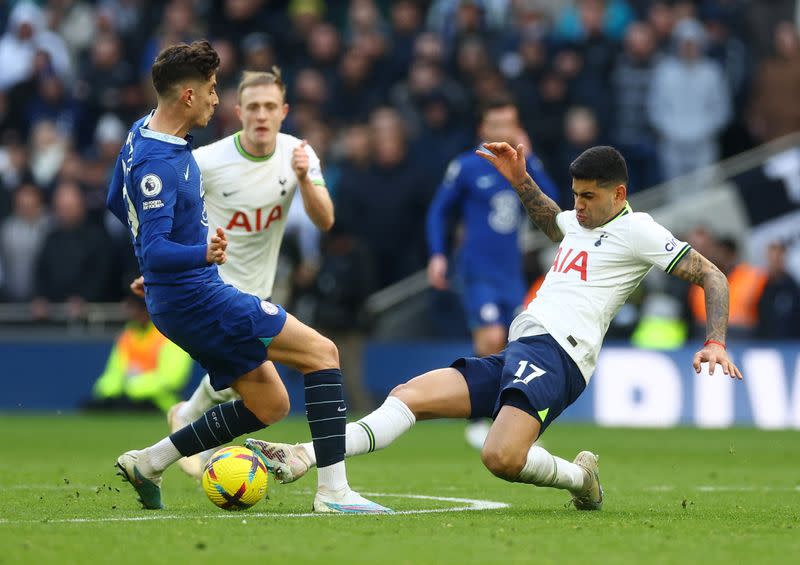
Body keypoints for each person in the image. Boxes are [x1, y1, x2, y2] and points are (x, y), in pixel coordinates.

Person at [247, 144, 743, 511]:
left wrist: (715, 340)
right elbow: (555, 223)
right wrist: (521, 181)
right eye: (576, 196)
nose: (580, 206)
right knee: (409, 394)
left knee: (501, 457)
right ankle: (306, 456)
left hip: (559, 355)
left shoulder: (640, 230)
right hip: (520, 349)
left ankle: (579, 478)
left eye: (589, 197)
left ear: (620, 193)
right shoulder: (581, 222)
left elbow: (709, 273)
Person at [106, 40, 390, 514]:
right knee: (323, 353)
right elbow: (155, 248)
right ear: (189, 97)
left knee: (270, 404)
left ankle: (150, 461)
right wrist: (197, 253)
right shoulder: (163, 164)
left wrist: (160, 269)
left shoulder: (143, 133)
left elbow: (118, 198)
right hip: (199, 297)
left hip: (183, 295)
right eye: (213, 90)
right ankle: (334, 492)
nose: (217, 100)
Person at [161, 67, 334, 479]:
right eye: (253, 106)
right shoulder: (207, 161)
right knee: (278, 375)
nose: (261, 115)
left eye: (270, 107)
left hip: (261, 289)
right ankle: (332, 485)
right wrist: (158, 266)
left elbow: (325, 219)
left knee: (242, 377)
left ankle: (185, 417)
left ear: (284, 111)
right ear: (238, 111)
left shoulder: (299, 154)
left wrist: (305, 178)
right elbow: (169, 219)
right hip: (214, 287)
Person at [426, 95, 558, 449]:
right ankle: (481, 416)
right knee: (489, 339)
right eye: (495, 125)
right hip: (477, 270)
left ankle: (512, 422)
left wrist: (529, 163)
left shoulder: (523, 166)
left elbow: (554, 205)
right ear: (483, 129)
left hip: (512, 274)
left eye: (508, 125)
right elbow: (439, 212)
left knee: (518, 344)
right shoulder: (467, 166)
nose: (502, 131)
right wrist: (438, 254)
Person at [89, 294, 193, 412]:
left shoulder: (169, 335)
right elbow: (114, 373)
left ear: (146, 309)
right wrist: (106, 391)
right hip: (127, 400)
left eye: (132, 308)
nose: (129, 313)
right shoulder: (127, 336)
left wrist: (133, 387)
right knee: (92, 406)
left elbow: (173, 380)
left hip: (160, 405)